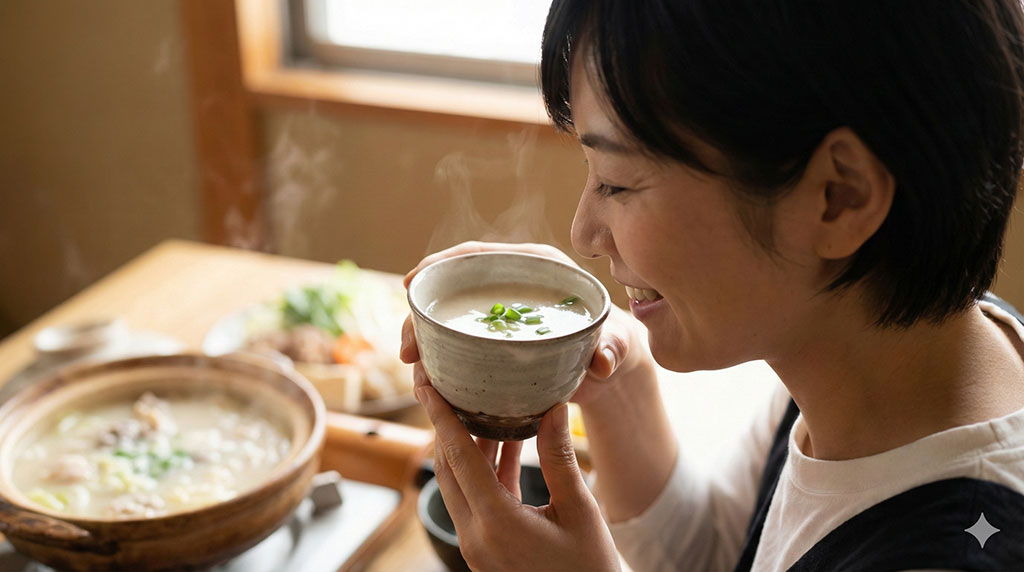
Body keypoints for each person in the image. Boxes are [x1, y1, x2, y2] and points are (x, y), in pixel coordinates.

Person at [399, 1, 1024, 569]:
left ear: (839, 197)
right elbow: (729, 555)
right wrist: (616, 384)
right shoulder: (861, 361)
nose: (584, 231)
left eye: (616, 180)